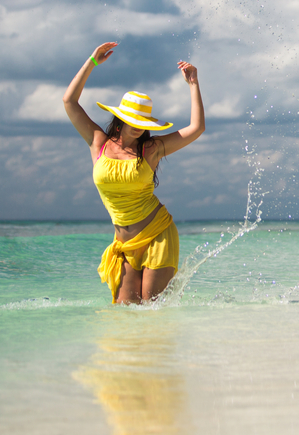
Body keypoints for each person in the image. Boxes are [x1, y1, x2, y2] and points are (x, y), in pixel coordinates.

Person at [63, 42, 205, 304]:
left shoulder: (152, 149)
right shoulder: (98, 142)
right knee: (125, 314)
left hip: (158, 235)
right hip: (124, 245)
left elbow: (196, 128)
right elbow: (69, 101)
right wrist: (92, 62)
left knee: (151, 311)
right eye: (134, 121)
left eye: (144, 122)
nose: (140, 128)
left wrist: (193, 84)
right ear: (121, 119)